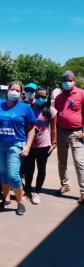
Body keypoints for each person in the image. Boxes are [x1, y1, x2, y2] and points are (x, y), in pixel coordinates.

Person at [0, 81, 36, 215]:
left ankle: (20, 203)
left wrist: (28, 146)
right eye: (12, 89)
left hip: (16, 144)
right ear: (7, 91)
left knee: (13, 175)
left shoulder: (25, 108)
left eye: (17, 90)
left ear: (21, 93)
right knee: (2, 173)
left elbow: (31, 129)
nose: (14, 92)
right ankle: (6, 199)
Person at [23, 86, 57, 204]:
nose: (39, 98)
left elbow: (53, 128)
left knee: (41, 169)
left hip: (44, 144)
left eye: (43, 96)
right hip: (30, 145)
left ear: (47, 97)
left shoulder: (51, 111)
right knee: (29, 169)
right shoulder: (29, 108)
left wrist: (54, 142)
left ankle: (36, 193)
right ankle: (27, 191)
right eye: (37, 96)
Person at [55, 70, 84, 204]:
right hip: (61, 132)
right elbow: (56, 115)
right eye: (65, 80)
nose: (68, 82)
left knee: (79, 163)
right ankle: (65, 185)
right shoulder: (59, 97)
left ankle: (83, 191)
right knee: (62, 161)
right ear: (62, 82)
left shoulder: (81, 93)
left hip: (76, 133)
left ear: (74, 81)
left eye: (70, 80)